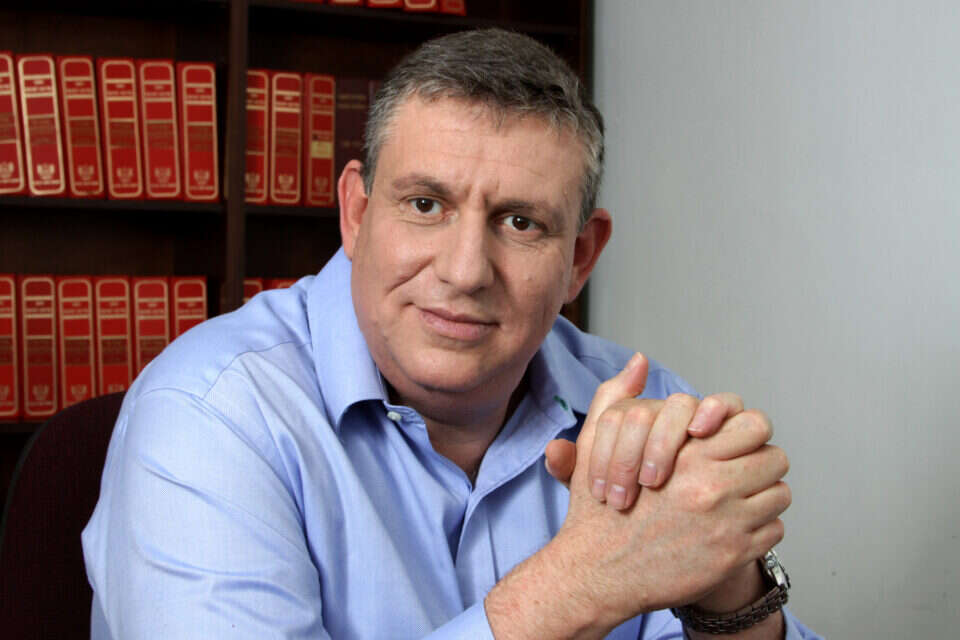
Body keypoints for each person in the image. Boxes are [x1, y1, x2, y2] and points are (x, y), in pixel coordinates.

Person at [82, 29, 821, 639]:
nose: (465, 271)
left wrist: (728, 594)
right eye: (426, 205)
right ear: (356, 214)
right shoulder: (208, 413)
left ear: (580, 258)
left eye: (520, 222)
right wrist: (583, 583)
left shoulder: (646, 408)